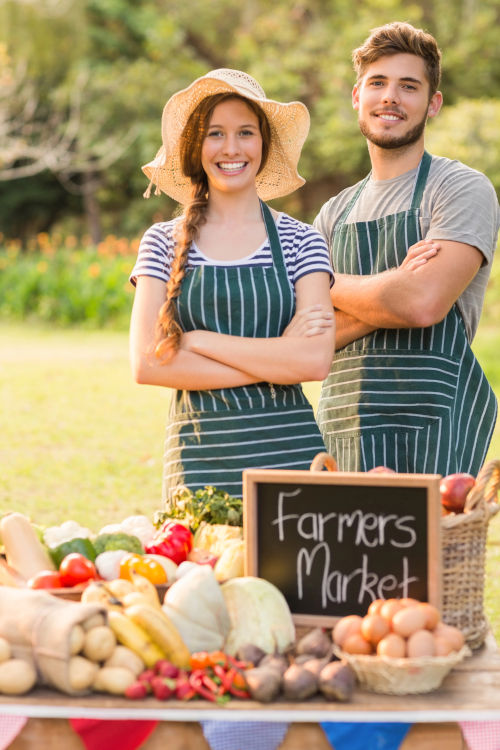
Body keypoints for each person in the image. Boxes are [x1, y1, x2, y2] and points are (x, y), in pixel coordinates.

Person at [129, 68, 335, 502]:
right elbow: (147, 365)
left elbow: (314, 362)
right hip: (200, 462)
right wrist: (279, 357)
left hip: (291, 458)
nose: (231, 148)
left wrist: (198, 341)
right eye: (215, 134)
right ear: (195, 146)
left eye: (245, 132)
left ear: (264, 144)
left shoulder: (303, 241)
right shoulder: (161, 243)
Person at [314, 21, 499, 476]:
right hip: (340, 430)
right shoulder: (333, 213)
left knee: (428, 549)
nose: (390, 97)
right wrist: (393, 287)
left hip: (430, 432)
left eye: (409, 86)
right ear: (357, 96)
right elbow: (306, 337)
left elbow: (422, 303)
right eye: (377, 83)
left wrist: (323, 281)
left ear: (432, 103)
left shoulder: (459, 188)